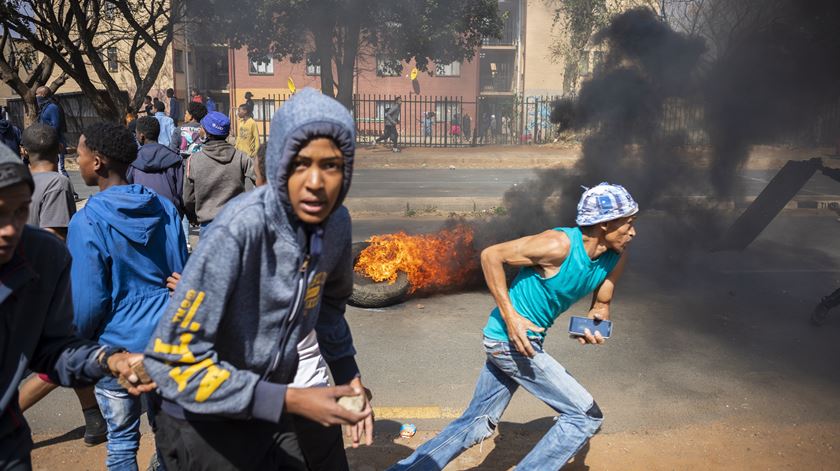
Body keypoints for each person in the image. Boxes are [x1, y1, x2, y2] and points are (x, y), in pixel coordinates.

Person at [144, 88, 372, 470]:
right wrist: (289, 400)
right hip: (202, 423)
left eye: (331, 165)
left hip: (268, 405)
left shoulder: (336, 225)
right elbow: (172, 363)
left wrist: (349, 375)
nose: (316, 181)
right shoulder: (239, 230)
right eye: (300, 164)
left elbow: (329, 303)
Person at [388, 183, 639, 471]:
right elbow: (491, 256)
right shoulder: (557, 245)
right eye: (628, 224)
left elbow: (602, 303)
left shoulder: (615, 256)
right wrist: (511, 317)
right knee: (585, 416)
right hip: (511, 342)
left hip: (520, 342)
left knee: (475, 425)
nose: (633, 232)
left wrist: (596, 319)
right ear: (605, 224)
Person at [0, 143, 151, 469]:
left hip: (8, 446)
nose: (10, 229)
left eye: (20, 211)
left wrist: (107, 358)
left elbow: (52, 350)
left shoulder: (43, 256)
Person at [70, 122, 188, 470]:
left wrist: (84, 342)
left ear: (98, 162)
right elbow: (180, 275)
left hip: (117, 347)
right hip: (165, 341)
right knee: (168, 438)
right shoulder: (164, 208)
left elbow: (90, 303)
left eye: (79, 153)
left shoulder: (87, 222)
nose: (76, 160)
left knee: (121, 441)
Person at [15, 123, 107, 447]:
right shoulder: (56, 182)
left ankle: (94, 417)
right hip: (43, 284)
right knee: (56, 355)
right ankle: (10, 413)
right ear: (59, 151)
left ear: (23, 151)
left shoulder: (17, 181)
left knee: (67, 346)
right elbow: (55, 234)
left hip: (20, 280)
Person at [183, 111, 254, 229]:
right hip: (237, 224)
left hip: (209, 226)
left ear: (206, 132)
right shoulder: (241, 157)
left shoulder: (193, 160)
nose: (200, 130)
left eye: (202, 127)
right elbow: (260, 182)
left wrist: (193, 217)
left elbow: (188, 199)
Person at [129, 116, 184, 215]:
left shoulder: (132, 159)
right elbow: (180, 191)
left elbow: (127, 188)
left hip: (141, 215)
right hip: (169, 214)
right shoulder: (173, 158)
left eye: (136, 133)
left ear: (141, 136)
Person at [35, 87, 68, 178]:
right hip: (47, 143)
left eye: (37, 94)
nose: (36, 96)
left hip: (55, 143)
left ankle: (70, 191)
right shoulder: (44, 108)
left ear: (42, 95)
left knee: (60, 169)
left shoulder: (52, 107)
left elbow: (56, 126)